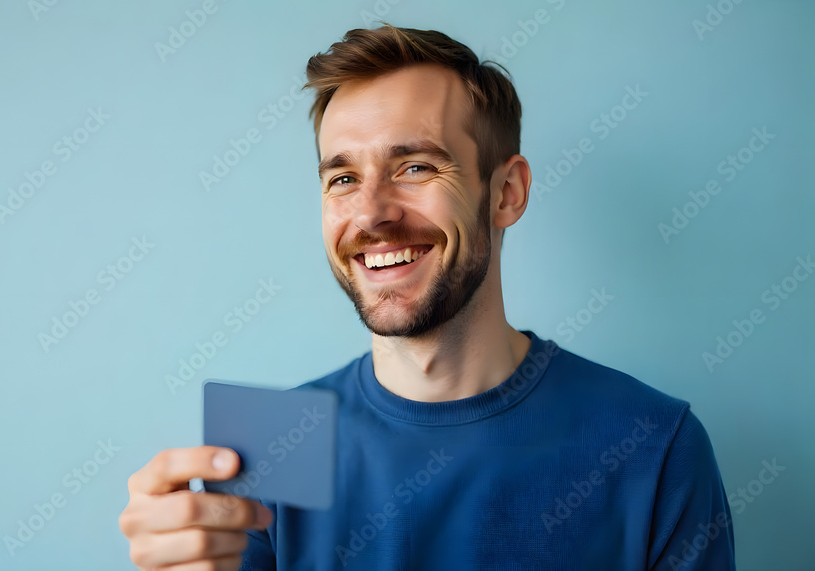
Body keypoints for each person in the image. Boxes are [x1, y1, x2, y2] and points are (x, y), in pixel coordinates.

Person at [119, 25, 735, 570]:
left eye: (415, 167)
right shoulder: (270, 449)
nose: (371, 214)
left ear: (507, 193)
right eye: (343, 178)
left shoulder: (654, 444)